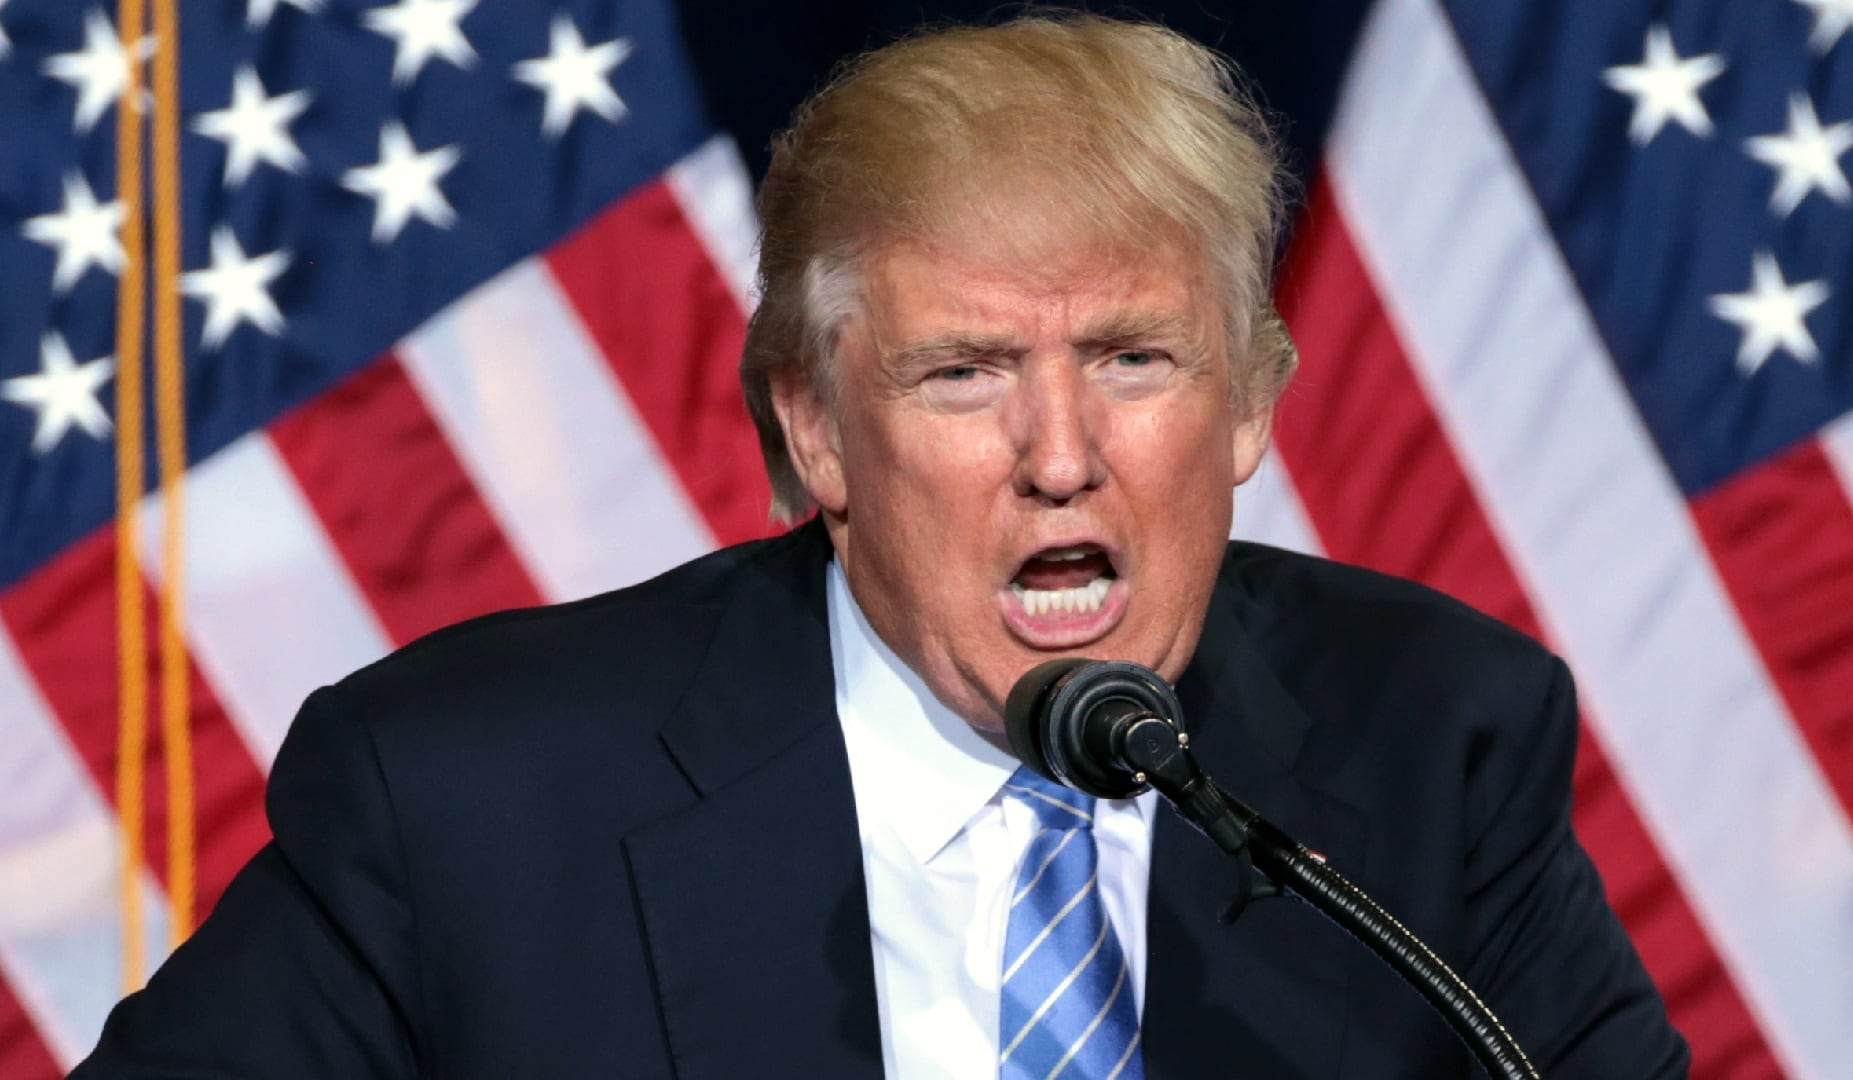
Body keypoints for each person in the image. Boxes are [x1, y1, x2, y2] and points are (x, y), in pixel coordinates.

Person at [74, 12, 1688, 1078]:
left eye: (1135, 359)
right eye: (964, 374)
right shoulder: (466, 800)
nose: (1062, 458)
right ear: (818, 431)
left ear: (1252, 402)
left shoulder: (1436, 736)